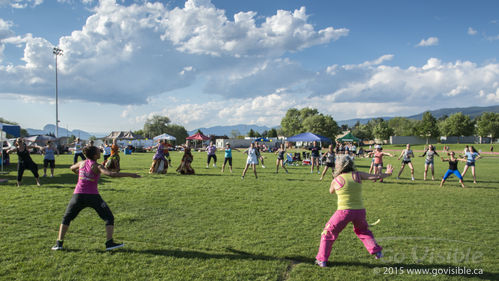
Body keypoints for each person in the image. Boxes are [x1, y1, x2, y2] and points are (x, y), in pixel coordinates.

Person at [51, 146, 140, 251]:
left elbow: (71, 168)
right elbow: (111, 174)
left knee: (66, 218)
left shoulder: (81, 163)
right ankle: (109, 243)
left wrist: (80, 173)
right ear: (95, 155)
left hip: (78, 195)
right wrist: (131, 175)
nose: (100, 152)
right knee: (109, 217)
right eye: (99, 152)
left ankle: (59, 244)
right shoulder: (97, 166)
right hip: (93, 196)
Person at [314, 155, 392, 267]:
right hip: (360, 211)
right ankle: (377, 252)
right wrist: (388, 173)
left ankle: (321, 260)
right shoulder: (358, 175)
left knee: (328, 233)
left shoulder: (336, 180)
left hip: (343, 212)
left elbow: (331, 191)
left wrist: (335, 178)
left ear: (339, 166)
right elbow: (374, 176)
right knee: (363, 231)